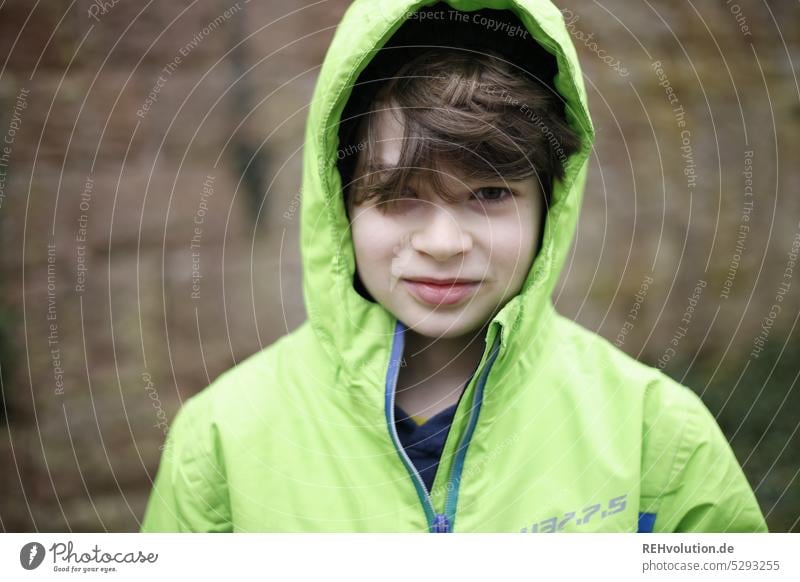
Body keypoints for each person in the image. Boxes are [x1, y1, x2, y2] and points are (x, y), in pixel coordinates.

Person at [140, 0, 768, 533]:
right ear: (341, 205)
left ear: (549, 205)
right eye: (396, 195)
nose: (442, 242)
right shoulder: (221, 441)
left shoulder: (655, 433)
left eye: (490, 193)